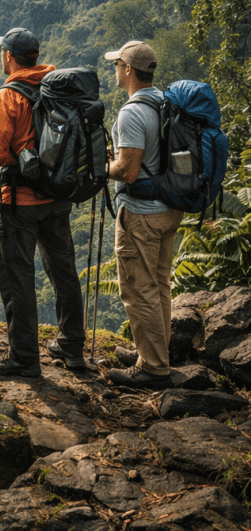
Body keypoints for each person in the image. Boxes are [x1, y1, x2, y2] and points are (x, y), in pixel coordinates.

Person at [0, 28, 86, 377]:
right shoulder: (58, 88)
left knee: (18, 277)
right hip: (58, 195)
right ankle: (71, 346)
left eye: (2, 52)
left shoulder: (6, 97)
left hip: (19, 202)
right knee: (64, 272)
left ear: (9, 56)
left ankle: (24, 357)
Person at [105, 41, 183, 390]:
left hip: (141, 215)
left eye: (117, 64)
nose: (115, 70)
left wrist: (102, 167)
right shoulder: (165, 102)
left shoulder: (132, 113)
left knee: (139, 289)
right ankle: (153, 353)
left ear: (128, 70)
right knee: (160, 284)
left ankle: (153, 367)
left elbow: (128, 171)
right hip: (169, 208)